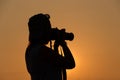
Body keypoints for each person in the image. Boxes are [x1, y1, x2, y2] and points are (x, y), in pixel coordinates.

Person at [25, 13, 75, 80]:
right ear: (42, 30)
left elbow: (52, 66)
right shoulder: (43, 51)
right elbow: (70, 63)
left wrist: (56, 47)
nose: (50, 31)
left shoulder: (30, 51)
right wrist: (63, 44)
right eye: (48, 28)